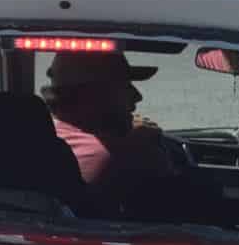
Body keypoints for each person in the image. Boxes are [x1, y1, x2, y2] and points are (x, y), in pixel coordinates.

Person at [43, 47, 178, 216]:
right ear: (94, 97)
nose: (137, 96)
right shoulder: (118, 154)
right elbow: (174, 196)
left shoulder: (47, 137)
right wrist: (146, 143)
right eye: (125, 87)